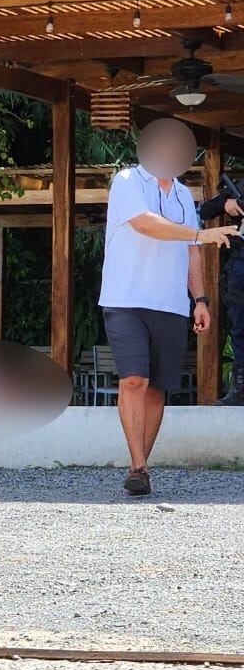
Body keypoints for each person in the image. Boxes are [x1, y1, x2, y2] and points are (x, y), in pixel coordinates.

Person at [98, 118, 237, 497]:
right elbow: (146, 224)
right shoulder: (128, 181)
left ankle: (142, 464)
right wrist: (198, 232)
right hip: (125, 299)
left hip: (172, 305)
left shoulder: (183, 194)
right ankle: (137, 466)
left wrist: (201, 300)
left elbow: (191, 254)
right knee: (134, 380)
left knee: (158, 388)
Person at [198, 179, 244, 404]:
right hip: (240, 269)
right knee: (240, 328)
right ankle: (241, 389)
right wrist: (228, 203)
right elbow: (206, 210)